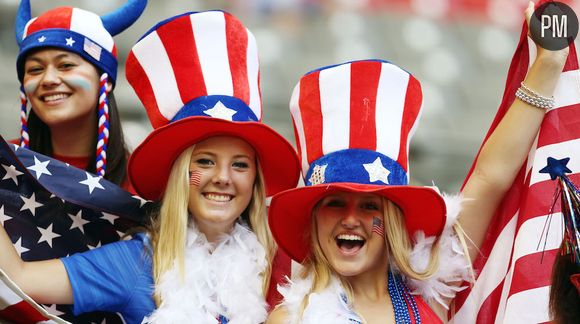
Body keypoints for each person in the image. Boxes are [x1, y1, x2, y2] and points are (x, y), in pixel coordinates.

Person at [266, 2, 569, 323]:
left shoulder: (429, 293)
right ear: (314, 220)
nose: (351, 219)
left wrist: (547, 65)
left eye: (370, 207)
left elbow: (489, 177)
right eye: (335, 203)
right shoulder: (291, 318)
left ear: (393, 219)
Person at [0, 10, 300, 324]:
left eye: (240, 165)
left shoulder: (277, 263)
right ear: (178, 175)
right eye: (204, 162)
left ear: (255, 180)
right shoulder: (136, 262)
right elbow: (19, 277)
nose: (222, 177)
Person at [13, 0, 146, 188]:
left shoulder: (145, 183)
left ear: (105, 81)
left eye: (66, 65)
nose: (48, 79)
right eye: (35, 69)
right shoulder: (5, 165)